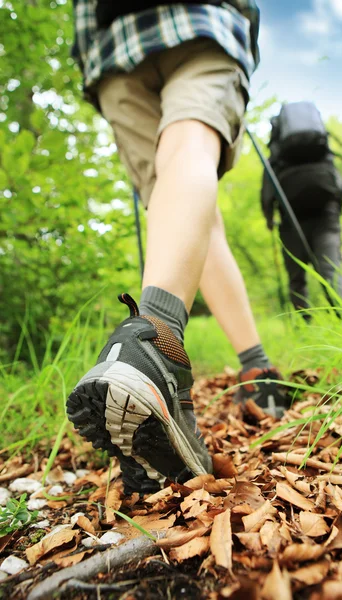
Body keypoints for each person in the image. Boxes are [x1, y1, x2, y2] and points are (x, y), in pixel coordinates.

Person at [67, 0, 289, 495]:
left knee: (182, 205)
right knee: (191, 151)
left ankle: (247, 369)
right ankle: (157, 343)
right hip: (201, 20)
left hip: (112, 50)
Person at [261, 102, 342, 319]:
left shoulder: (278, 156)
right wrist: (337, 211)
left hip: (291, 219)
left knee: (296, 278)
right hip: (326, 216)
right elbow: (338, 182)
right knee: (330, 268)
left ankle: (305, 325)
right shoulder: (321, 150)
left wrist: (269, 219)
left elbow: (266, 190)